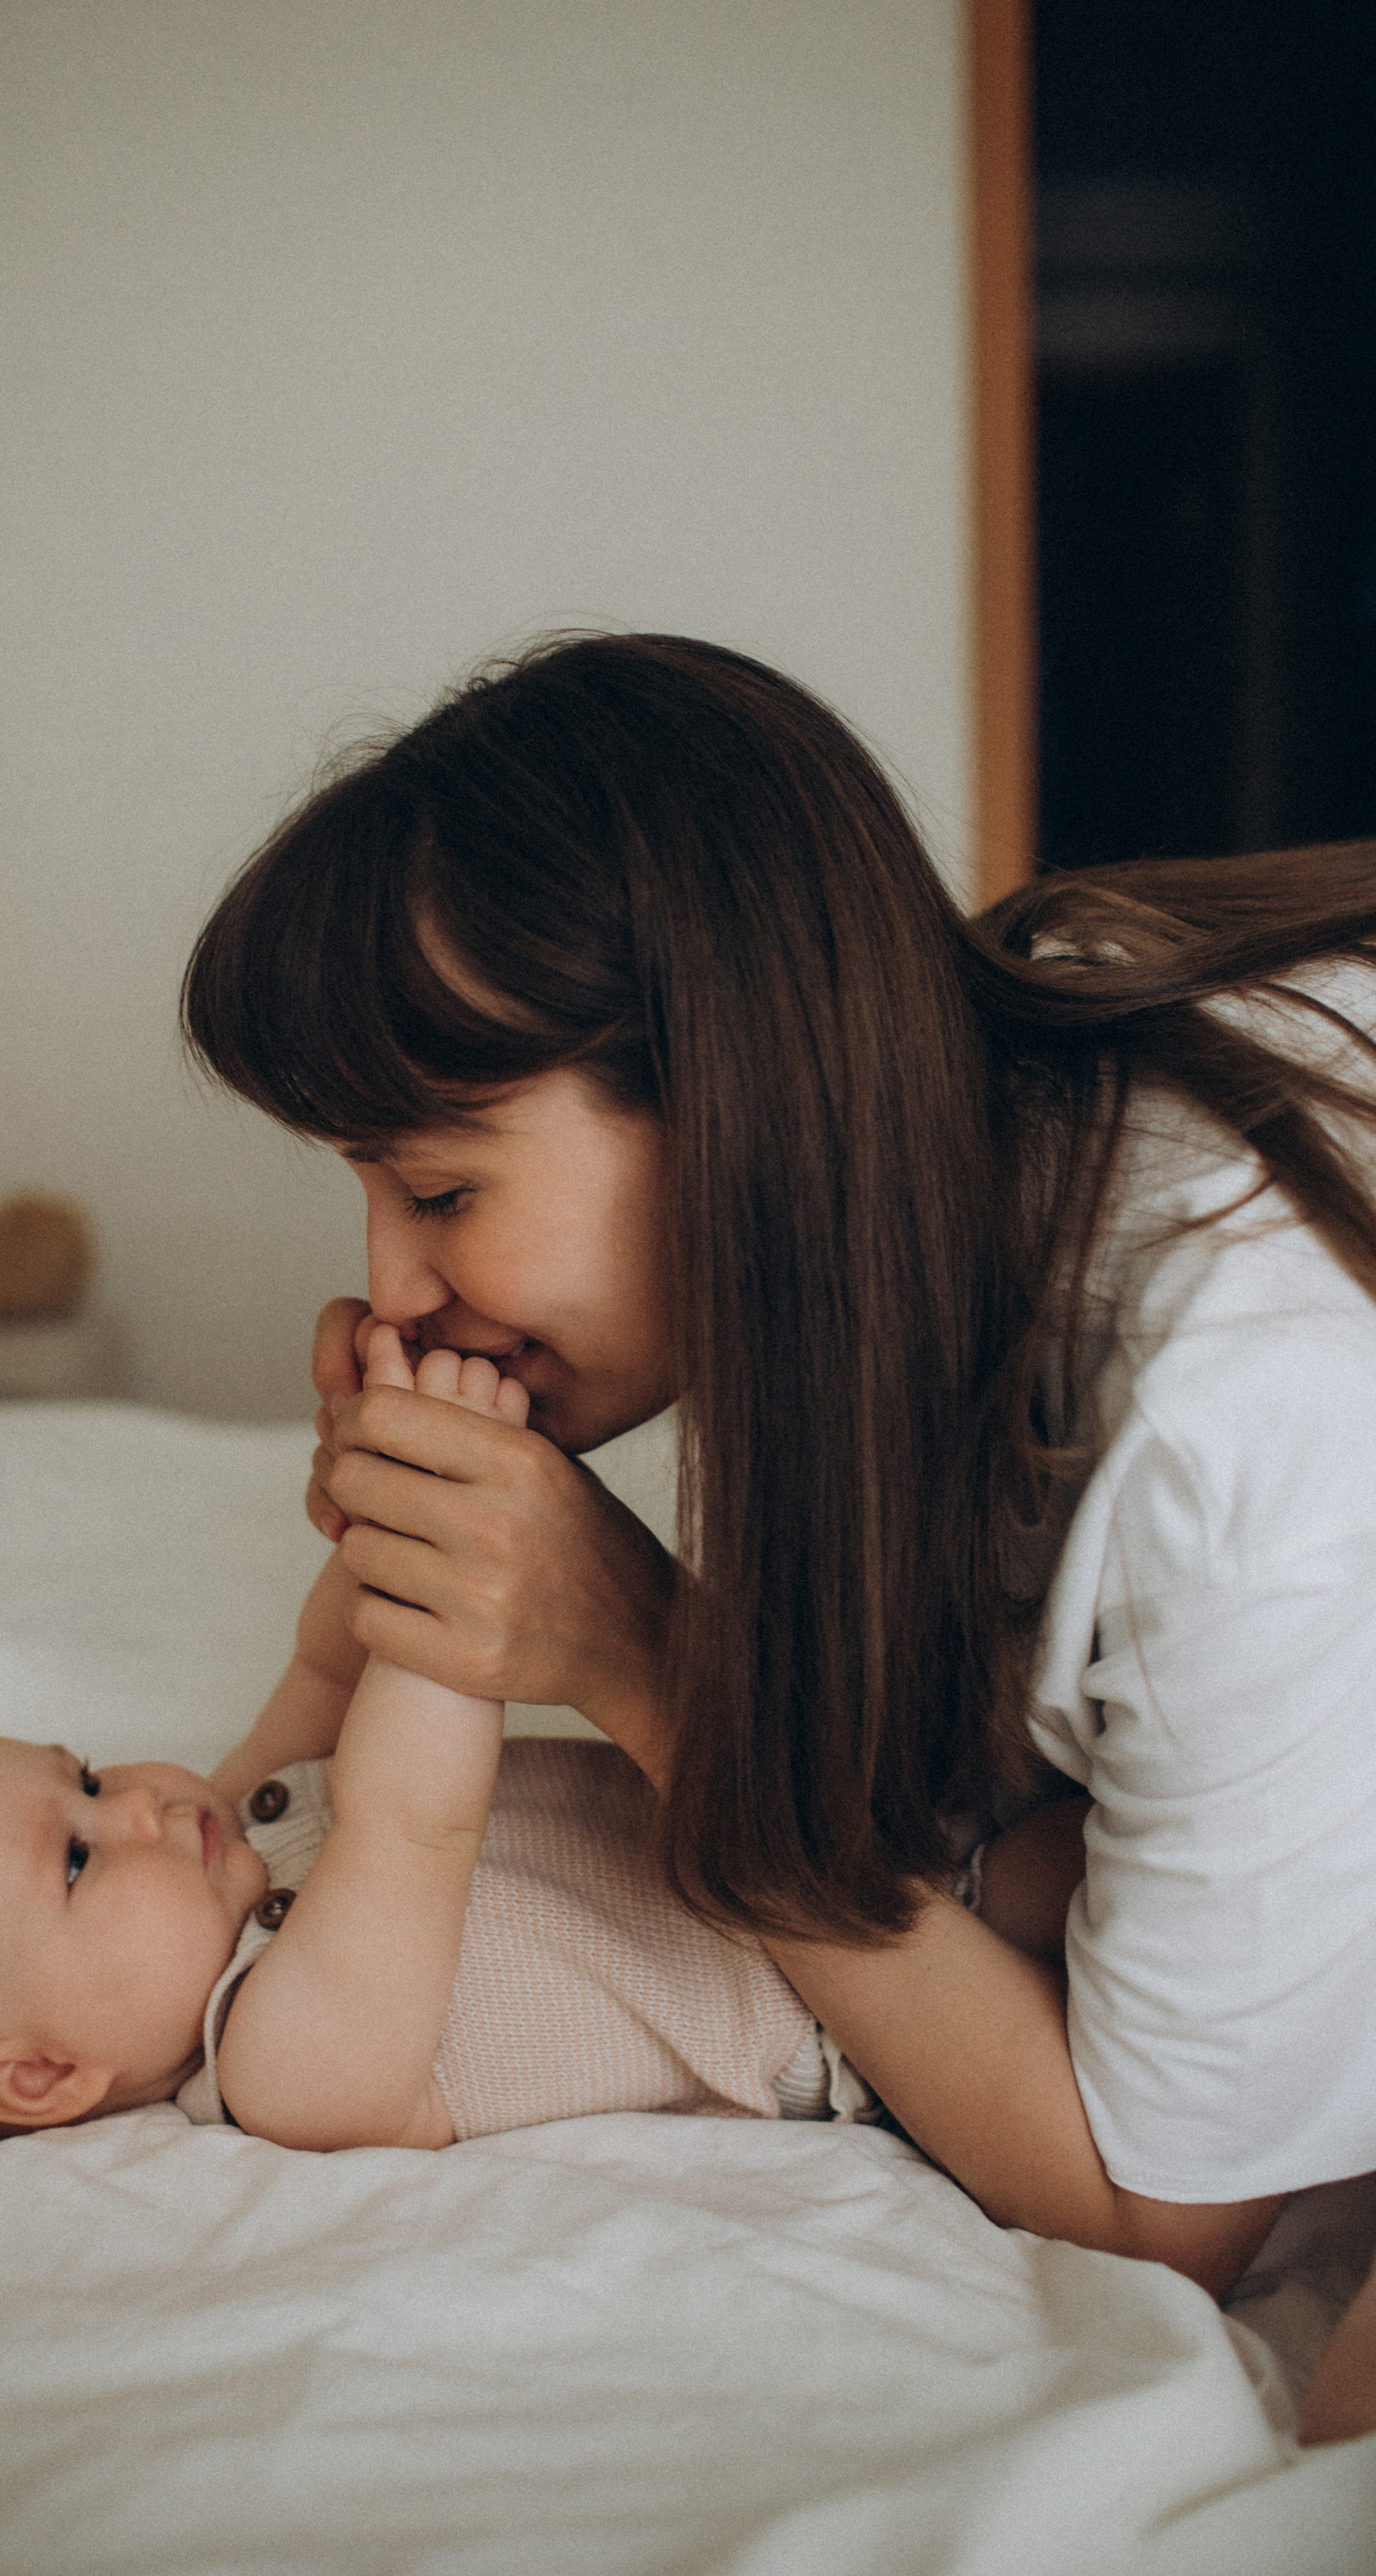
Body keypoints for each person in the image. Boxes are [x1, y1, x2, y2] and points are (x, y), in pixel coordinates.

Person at [180, 630, 1376, 2434]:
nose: (390, 1287)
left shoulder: (1241, 1402)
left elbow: (1154, 2212)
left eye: (438, 1188)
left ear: (721, 1094)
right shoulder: (962, 1120)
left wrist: (638, 1652)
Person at [0, 1329, 893, 2158]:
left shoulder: (241, 1828)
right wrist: (460, 1540)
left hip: (819, 1818)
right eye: (79, 1859)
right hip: (832, 2007)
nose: (135, 1804)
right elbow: (412, 1828)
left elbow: (331, 1666)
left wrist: (394, 1484)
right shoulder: (285, 2072)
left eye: (88, 1778)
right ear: (41, 2075)